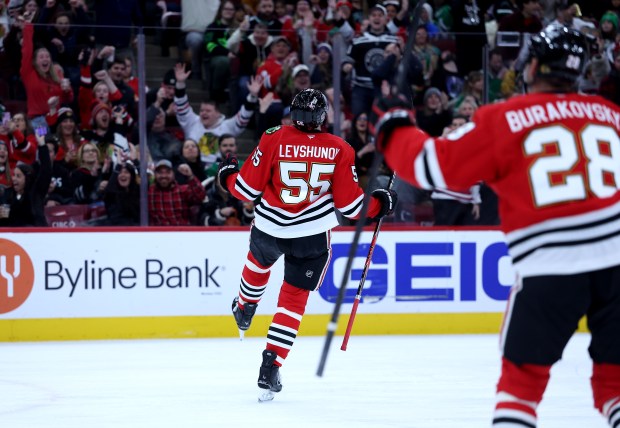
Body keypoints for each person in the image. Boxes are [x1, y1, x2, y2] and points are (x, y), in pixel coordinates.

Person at [370, 25, 620, 427]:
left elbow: (431, 166)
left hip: (550, 269)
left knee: (520, 388)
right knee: (615, 386)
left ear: (534, 64)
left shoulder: (506, 118)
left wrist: (394, 126)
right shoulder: (611, 114)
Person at [217, 88, 397, 401]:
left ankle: (245, 307)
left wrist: (227, 175)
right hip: (311, 235)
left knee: (257, 264)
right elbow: (353, 207)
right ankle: (271, 364)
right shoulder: (340, 148)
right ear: (322, 115)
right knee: (292, 301)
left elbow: (245, 189)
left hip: (270, 226)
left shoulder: (273, 136)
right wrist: (380, 204)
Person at [148, 159, 206, 226]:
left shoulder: (183, 190)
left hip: (182, 232)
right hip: (156, 234)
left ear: (173, 174)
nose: (164, 176)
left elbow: (201, 196)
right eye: (160, 172)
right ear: (155, 174)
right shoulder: (149, 192)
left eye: (168, 172)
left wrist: (190, 176)